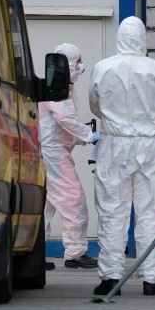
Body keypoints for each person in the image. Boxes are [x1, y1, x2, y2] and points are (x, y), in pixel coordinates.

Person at [88, 16, 155, 297]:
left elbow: (94, 104)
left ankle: (111, 277)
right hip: (149, 144)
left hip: (115, 143)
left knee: (113, 209)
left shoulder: (102, 68)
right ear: (144, 39)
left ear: (119, 37)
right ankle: (151, 278)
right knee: (151, 211)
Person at [39, 43, 99, 270]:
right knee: (74, 200)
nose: (81, 65)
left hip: (50, 151)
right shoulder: (57, 88)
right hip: (53, 153)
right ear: (68, 64)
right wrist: (89, 136)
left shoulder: (60, 87)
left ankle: (33, 255)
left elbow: (61, 125)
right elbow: (65, 119)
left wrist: (83, 137)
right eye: (78, 61)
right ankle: (75, 253)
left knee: (44, 206)